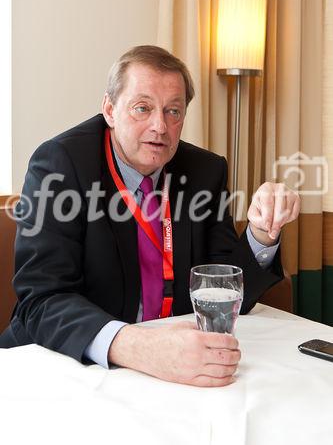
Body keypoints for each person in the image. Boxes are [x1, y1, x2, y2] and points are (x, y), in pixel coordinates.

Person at [0, 45, 300, 387]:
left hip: (173, 369)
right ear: (110, 110)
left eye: (173, 111)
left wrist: (262, 233)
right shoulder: (61, 164)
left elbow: (222, 289)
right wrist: (139, 348)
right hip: (66, 366)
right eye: (142, 108)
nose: (160, 126)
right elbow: (41, 300)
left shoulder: (205, 170)